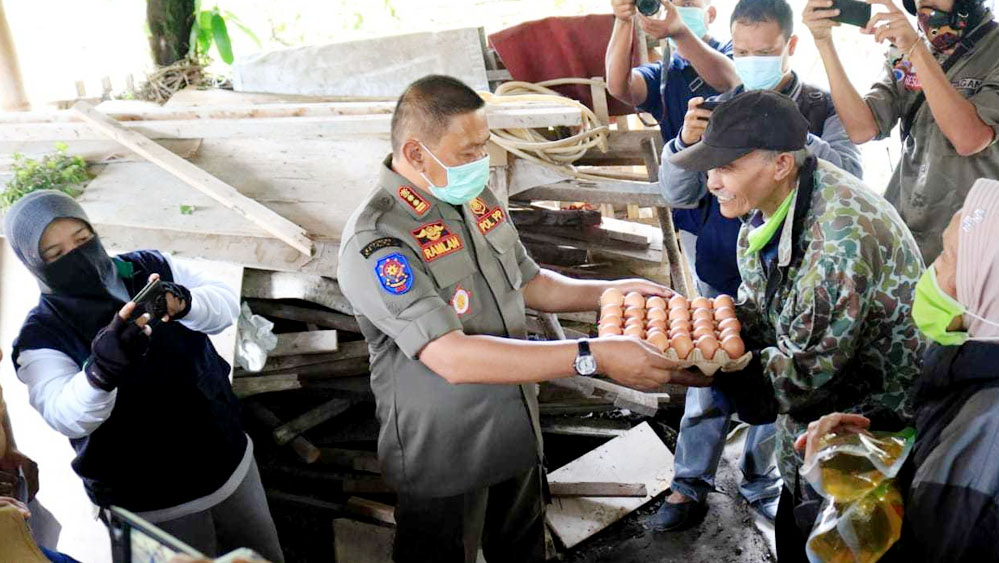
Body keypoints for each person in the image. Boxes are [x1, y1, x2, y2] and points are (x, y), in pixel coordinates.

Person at [337, 74, 708, 563]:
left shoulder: (473, 197)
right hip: (445, 456)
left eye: (483, 146)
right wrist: (590, 356)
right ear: (417, 153)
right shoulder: (379, 240)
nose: (480, 162)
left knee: (525, 549)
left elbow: (530, 282)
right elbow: (451, 357)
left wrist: (610, 291)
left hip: (514, 432)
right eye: (466, 151)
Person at [668, 90, 925, 561]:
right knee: (796, 523)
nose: (713, 182)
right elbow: (766, 310)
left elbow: (802, 378)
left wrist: (699, 367)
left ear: (782, 164)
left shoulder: (840, 239)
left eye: (726, 168)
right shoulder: (767, 212)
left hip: (865, 439)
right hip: (810, 433)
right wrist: (706, 327)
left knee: (841, 545)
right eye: (711, 168)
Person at [650, 0, 864, 530]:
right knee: (707, 373)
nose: (751, 63)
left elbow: (852, 177)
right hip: (723, 268)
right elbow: (676, 192)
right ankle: (689, 483)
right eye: (742, 52)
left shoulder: (821, 105)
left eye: (764, 52)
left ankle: (760, 479)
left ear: (789, 46)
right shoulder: (717, 106)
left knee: (779, 384)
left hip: (792, 279)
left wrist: (785, 133)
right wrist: (687, 141)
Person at [4, 191, 283, 562]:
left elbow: (224, 303)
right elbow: (64, 413)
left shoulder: (148, 266)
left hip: (229, 462)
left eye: (83, 239)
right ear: (34, 264)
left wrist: (185, 303)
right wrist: (100, 371)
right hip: (153, 504)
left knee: (262, 555)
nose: (77, 256)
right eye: (55, 255)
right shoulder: (42, 335)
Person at [796, 180, 999, 562]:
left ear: (986, 285)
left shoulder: (985, 437)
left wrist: (833, 493)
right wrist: (880, 443)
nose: (931, 269)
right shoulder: (972, 370)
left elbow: (923, 551)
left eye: (947, 256)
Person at [803, 0, 999, 262]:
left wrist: (917, 51)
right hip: (907, 236)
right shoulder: (905, 51)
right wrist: (824, 43)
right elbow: (862, 129)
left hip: (974, 248)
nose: (923, 4)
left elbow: (969, 138)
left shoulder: (991, 50)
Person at [605, 0, 739, 141]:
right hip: (684, 161)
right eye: (670, 4)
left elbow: (727, 80)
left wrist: (681, 32)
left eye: (687, 4)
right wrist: (623, 20)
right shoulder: (662, 75)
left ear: (711, 14)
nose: (677, 12)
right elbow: (618, 87)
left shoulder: (736, 50)